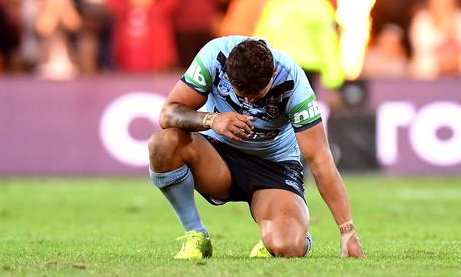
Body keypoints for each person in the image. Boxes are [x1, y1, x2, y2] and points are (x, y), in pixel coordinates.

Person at [148, 37, 365, 259]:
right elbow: (168, 113)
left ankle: (290, 232)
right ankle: (196, 234)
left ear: (273, 73)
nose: (249, 102)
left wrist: (347, 230)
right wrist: (212, 120)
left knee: (286, 246)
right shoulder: (214, 56)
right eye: (242, 94)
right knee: (163, 143)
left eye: (258, 94)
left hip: (274, 166)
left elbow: (320, 159)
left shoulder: (293, 80)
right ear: (228, 75)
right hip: (219, 158)